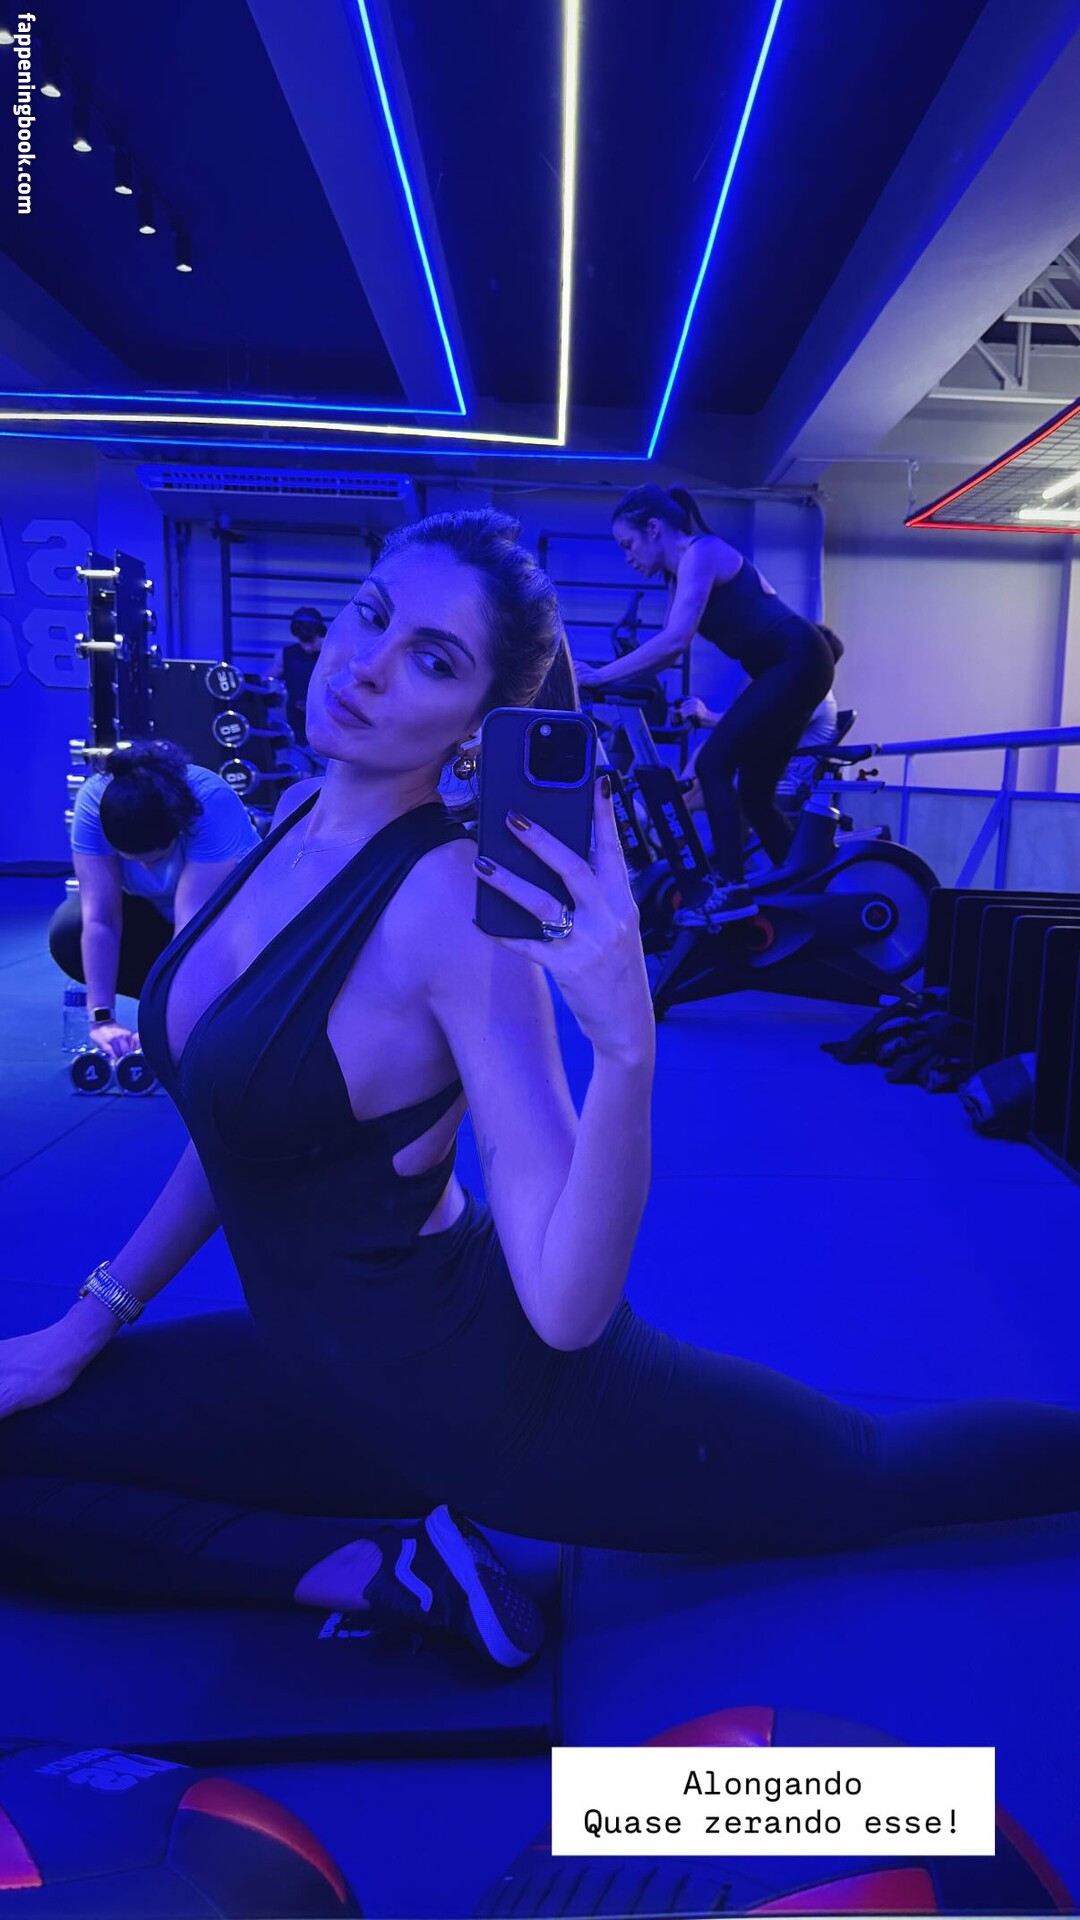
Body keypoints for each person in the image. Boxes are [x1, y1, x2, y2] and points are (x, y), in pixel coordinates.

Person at [4, 510, 1079, 1672]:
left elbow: (566, 1307)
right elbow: (236, 1133)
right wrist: (85, 1321)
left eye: (433, 659)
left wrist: (625, 1050)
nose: (365, 666)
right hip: (311, 1373)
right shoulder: (297, 818)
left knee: (870, 1470)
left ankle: (371, 1558)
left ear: (478, 725)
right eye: (373, 615)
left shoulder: (447, 913)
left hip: (483, 1397)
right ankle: (372, 1567)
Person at [574, 484, 841, 926]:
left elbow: (675, 642)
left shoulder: (703, 552)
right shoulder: (678, 576)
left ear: (654, 529)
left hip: (798, 659)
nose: (627, 557)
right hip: (790, 666)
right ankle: (806, 891)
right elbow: (665, 652)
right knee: (755, 794)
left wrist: (600, 675)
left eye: (628, 544)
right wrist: (607, 680)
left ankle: (730, 888)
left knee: (714, 763)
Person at [48, 742, 260, 1061]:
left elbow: (190, 928)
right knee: (70, 928)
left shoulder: (211, 802)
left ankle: (202, 1015)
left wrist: (162, 1029)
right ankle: (180, 1012)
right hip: (161, 919)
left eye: (156, 858)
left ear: (177, 831)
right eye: (131, 860)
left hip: (231, 929)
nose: (145, 868)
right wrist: (102, 1020)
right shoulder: (93, 802)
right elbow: (101, 917)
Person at [674, 689, 839, 817]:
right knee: (689, 798)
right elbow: (752, 721)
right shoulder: (801, 689)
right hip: (771, 774)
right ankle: (675, 820)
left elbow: (762, 725)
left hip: (786, 785)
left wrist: (709, 717)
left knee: (706, 761)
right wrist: (703, 718)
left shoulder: (816, 695)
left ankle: (674, 812)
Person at [272, 606, 328, 748]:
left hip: (327, 727)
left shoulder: (331, 653)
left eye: (311, 641)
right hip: (297, 728)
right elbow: (268, 681)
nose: (307, 648)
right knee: (299, 760)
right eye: (304, 641)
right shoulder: (286, 654)